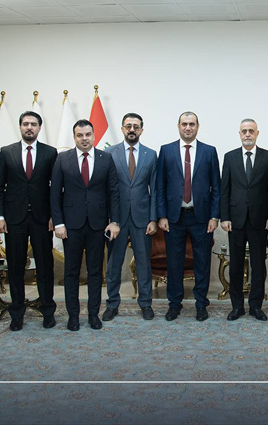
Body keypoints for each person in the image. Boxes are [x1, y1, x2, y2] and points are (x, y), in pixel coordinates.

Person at [51, 120, 120, 331]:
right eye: (80, 135)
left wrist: (114, 221)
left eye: (88, 134)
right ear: (74, 137)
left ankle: (93, 314)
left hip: (98, 225)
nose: (84, 138)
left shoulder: (106, 158)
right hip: (71, 225)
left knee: (95, 272)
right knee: (71, 272)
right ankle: (73, 316)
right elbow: (55, 194)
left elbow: (113, 192)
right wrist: (59, 223)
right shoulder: (62, 159)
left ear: (93, 135)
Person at [0, 111, 57, 331]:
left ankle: (48, 311)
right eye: (26, 124)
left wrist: (54, 216)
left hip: (42, 219)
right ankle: (17, 313)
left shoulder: (50, 153)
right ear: (20, 127)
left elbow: (55, 188)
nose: (29, 127)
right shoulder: (6, 152)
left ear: (39, 128)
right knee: (16, 267)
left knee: (45, 266)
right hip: (14, 219)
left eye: (33, 124)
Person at [155, 112, 220, 321]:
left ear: (198, 127)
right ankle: (174, 304)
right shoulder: (166, 150)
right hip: (174, 218)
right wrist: (161, 215)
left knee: (202, 262)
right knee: (174, 263)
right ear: (178, 126)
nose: (188, 128)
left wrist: (214, 216)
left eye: (192, 124)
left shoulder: (209, 151)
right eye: (184, 124)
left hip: (201, 218)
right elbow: (160, 186)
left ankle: (201, 304)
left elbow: (216, 187)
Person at [219, 118, 268, 321]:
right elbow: (224, 190)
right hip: (235, 221)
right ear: (239, 134)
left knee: (258, 265)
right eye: (244, 131)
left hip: (260, 220)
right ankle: (237, 307)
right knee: (235, 265)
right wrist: (224, 217)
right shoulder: (229, 157)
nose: (247, 134)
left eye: (251, 131)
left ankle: (256, 306)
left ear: (257, 133)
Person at [105, 113, 159, 321]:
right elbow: (106, 189)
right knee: (114, 264)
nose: (132, 130)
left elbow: (155, 189)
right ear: (122, 129)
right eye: (128, 126)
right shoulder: (110, 153)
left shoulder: (150, 155)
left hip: (142, 218)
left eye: (136, 126)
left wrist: (153, 219)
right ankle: (112, 304)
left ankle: (145, 304)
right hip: (117, 219)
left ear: (141, 130)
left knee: (144, 264)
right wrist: (110, 219)